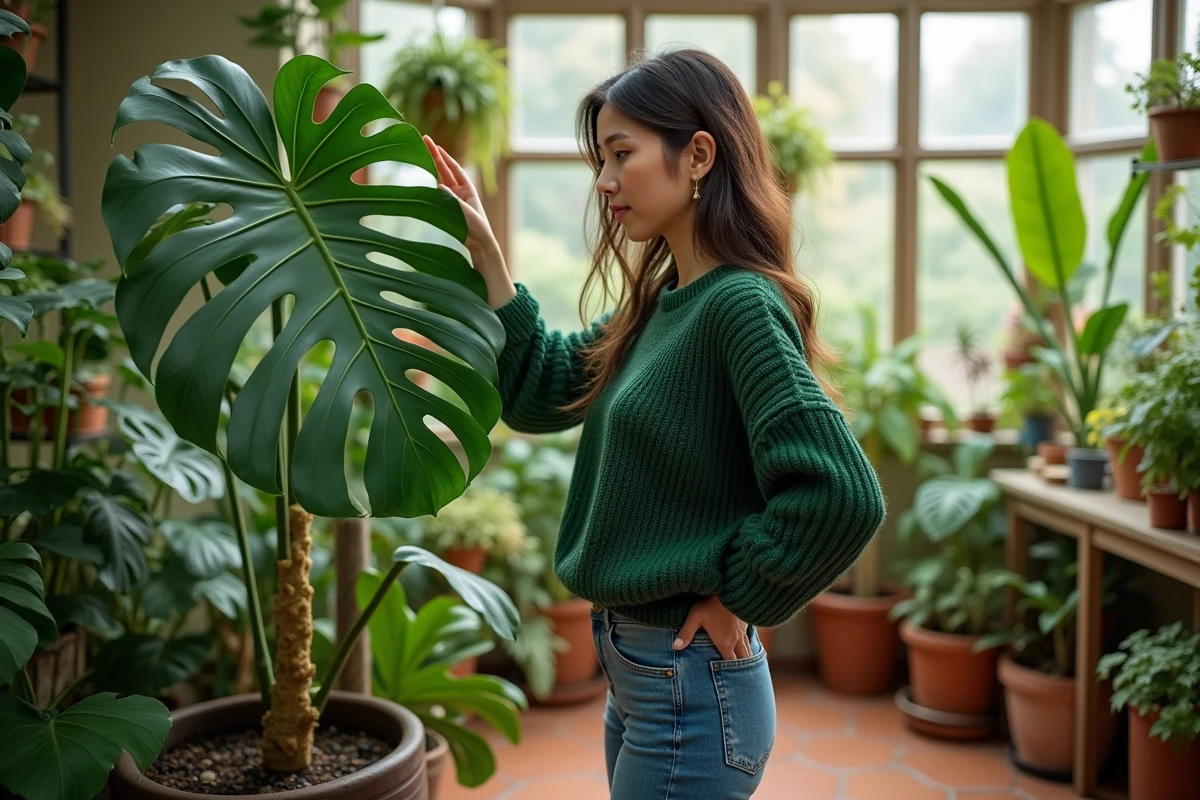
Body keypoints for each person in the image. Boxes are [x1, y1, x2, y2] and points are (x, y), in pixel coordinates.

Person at [422, 47, 886, 800]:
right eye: (600, 159)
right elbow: (540, 389)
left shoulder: (738, 305)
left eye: (620, 154)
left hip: (689, 683)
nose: (604, 182)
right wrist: (488, 255)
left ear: (698, 154)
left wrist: (737, 594)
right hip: (644, 675)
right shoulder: (660, 304)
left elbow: (843, 495)